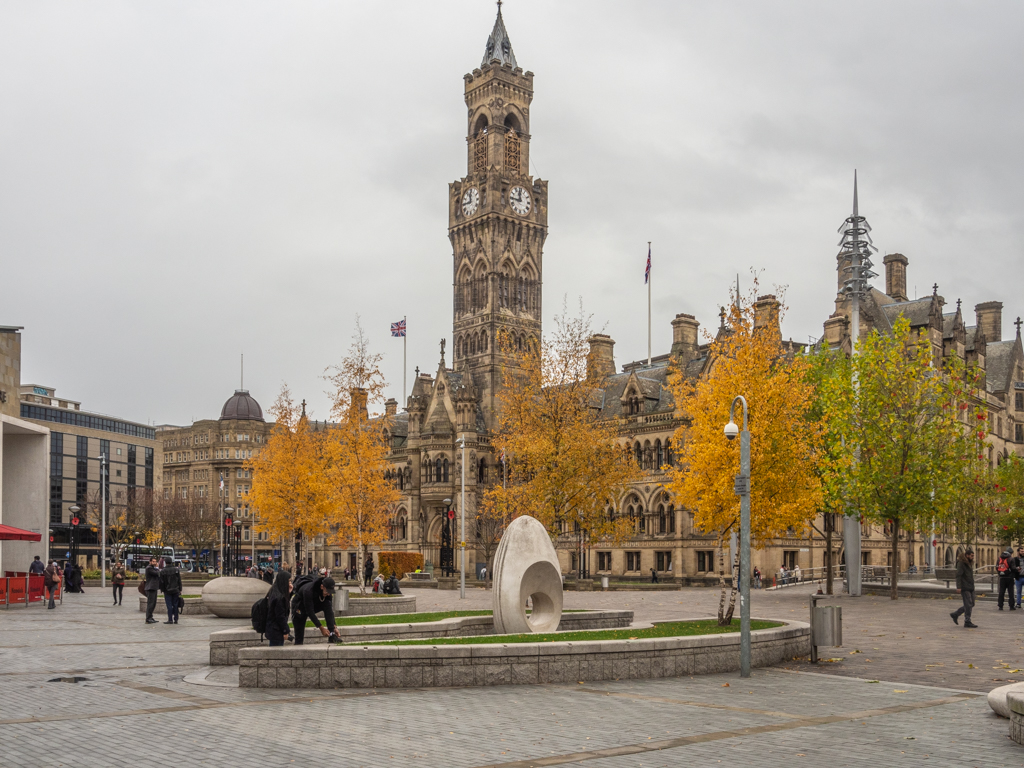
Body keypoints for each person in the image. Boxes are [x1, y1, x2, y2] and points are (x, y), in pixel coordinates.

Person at [291, 574, 340, 645]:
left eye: (330, 592)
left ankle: (332, 635)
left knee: (327, 604)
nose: (328, 594)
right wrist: (321, 628)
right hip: (299, 606)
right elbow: (310, 612)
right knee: (299, 633)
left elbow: (330, 612)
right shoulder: (308, 591)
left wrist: (334, 626)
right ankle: (298, 644)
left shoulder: (328, 594)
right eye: (327, 591)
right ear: (322, 587)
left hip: (314, 603)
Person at [951, 548, 978, 629]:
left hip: (970, 586)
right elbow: (958, 575)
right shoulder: (961, 563)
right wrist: (959, 587)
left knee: (971, 604)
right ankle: (967, 621)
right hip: (965, 587)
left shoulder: (969, 563)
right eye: (971, 556)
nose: (973, 557)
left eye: (973, 556)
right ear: (967, 555)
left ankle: (956, 614)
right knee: (968, 604)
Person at [266, 570, 292, 647]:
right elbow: (280, 616)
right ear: (284, 581)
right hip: (277, 630)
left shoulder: (275, 592)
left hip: (273, 629)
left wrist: (289, 593)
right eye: (289, 581)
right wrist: (285, 631)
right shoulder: (279, 598)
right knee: (276, 650)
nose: (290, 583)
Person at [159, 557, 182, 624]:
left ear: (165, 562)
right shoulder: (176, 570)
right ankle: (176, 619)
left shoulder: (163, 571)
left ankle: (170, 619)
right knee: (175, 604)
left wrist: (162, 589)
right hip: (175, 589)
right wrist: (180, 589)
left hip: (167, 590)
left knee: (169, 605)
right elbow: (179, 580)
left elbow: (161, 582)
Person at [144, 556, 161, 624]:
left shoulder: (152, 568)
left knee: (153, 603)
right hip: (150, 588)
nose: (155, 563)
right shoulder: (149, 568)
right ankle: (148, 618)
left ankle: (150, 617)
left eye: (155, 561)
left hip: (154, 587)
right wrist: (157, 568)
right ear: (150, 562)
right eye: (153, 561)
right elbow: (158, 573)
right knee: (150, 603)